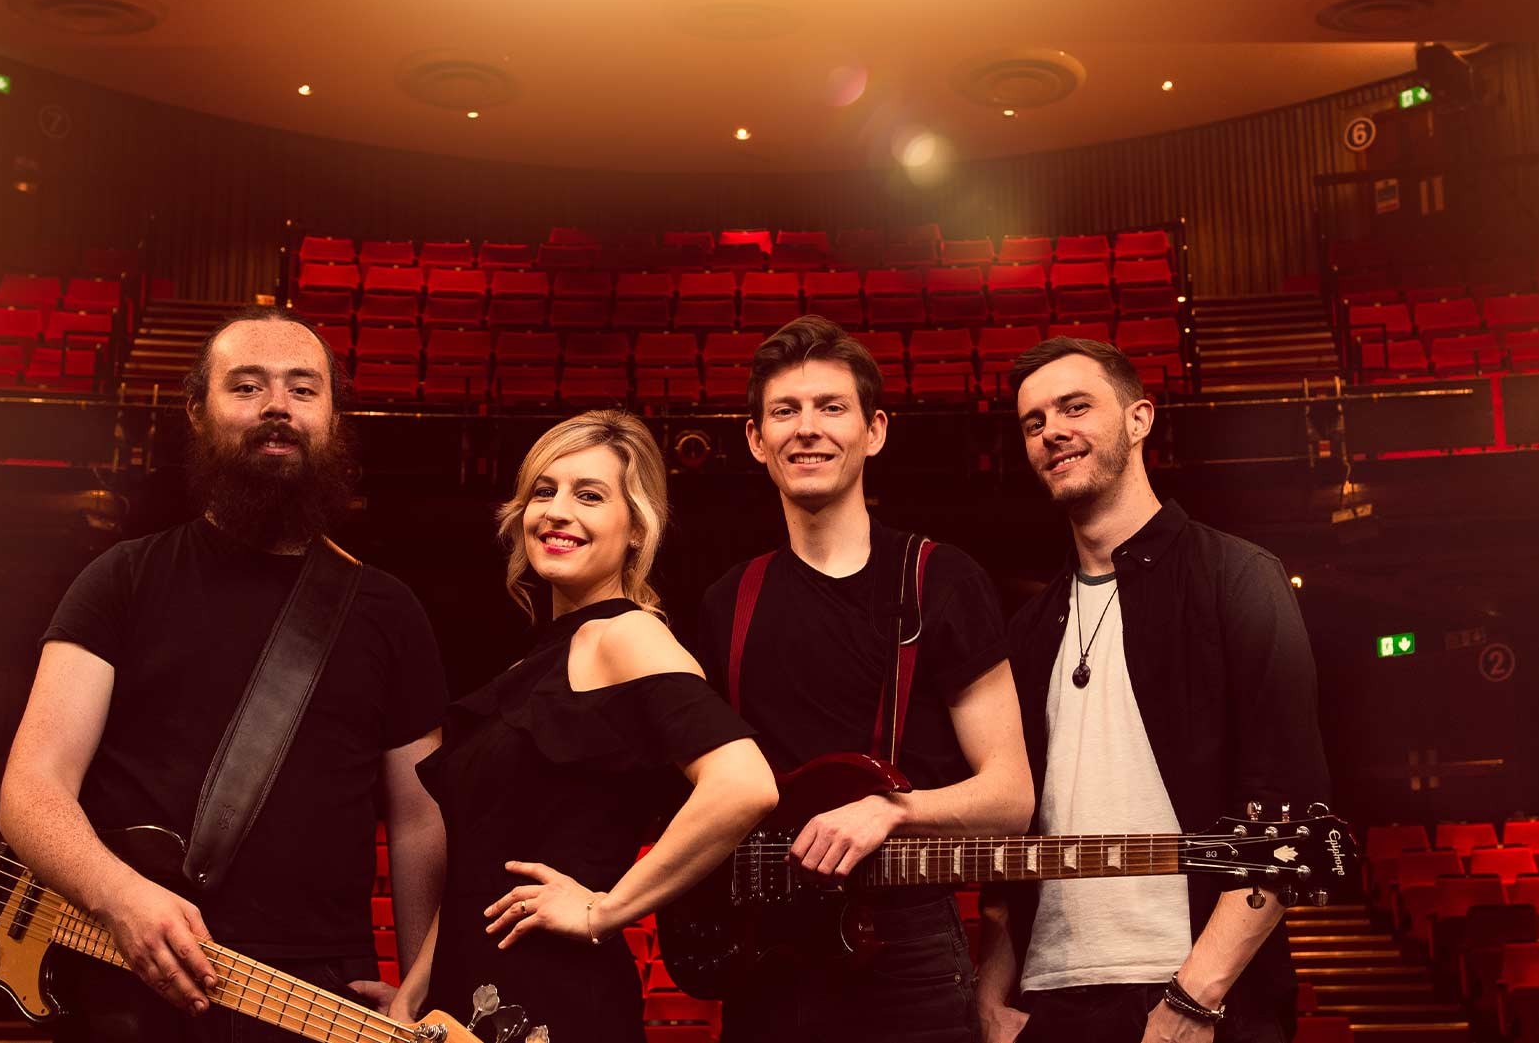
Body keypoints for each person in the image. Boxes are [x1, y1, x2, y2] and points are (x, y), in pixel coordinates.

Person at [0, 309, 449, 1041]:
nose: (278, 406)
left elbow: (419, 819)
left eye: (303, 389)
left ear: (333, 418)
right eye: (247, 386)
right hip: (129, 976)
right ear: (197, 411)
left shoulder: (389, 610)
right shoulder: (121, 578)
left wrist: (426, 986)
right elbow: (32, 789)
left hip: (315, 997)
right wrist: (119, 896)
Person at [976, 337, 1331, 1043]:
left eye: (1075, 407)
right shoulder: (1028, 627)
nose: (1052, 431)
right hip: (1047, 1002)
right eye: (1033, 421)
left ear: (1139, 419)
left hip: (1198, 999)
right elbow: (1012, 835)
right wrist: (991, 994)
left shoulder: (1238, 578)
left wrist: (1193, 1000)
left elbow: (1287, 814)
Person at [691, 315, 1035, 1043]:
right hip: (770, 954)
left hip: (907, 951)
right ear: (755, 439)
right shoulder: (727, 601)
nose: (806, 429)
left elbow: (1011, 796)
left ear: (874, 430)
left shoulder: (941, 579)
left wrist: (891, 809)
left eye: (831, 407)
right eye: (784, 411)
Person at [407, 410, 778, 1042]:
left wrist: (602, 912)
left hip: (558, 1002)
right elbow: (480, 865)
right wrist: (415, 990)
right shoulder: (535, 660)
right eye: (543, 491)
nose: (557, 511)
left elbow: (744, 785)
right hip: (461, 1002)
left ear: (637, 529)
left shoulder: (626, 635)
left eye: (589, 495)